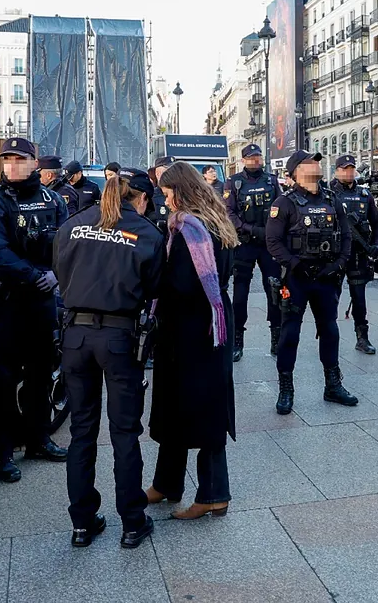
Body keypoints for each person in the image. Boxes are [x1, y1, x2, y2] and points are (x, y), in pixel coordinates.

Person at [53, 166, 163, 549]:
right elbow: (154, 289)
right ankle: (132, 522)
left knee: (81, 430)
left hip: (75, 336)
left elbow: (59, 273)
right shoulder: (147, 233)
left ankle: (82, 523)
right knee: (124, 432)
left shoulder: (73, 224)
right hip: (119, 337)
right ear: (143, 198)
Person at [0, 138, 70, 483]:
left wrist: (55, 275)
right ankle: (2, 454)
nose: (13, 165)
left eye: (20, 159)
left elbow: (66, 244)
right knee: (2, 381)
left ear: (35, 163)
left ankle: (38, 439)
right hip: (8, 301)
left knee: (41, 374)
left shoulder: (53, 199)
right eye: (8, 160)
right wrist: (36, 276)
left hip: (43, 301)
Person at [147, 161, 238, 519]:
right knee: (179, 404)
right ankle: (166, 482)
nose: (166, 201)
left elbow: (181, 285)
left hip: (192, 329)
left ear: (182, 191)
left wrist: (152, 280)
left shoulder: (190, 229)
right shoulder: (215, 220)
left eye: (168, 194)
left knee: (200, 407)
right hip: (210, 323)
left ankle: (214, 493)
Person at [266, 150, 358, 415]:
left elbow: (346, 236)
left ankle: (333, 386)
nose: (316, 165)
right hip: (297, 278)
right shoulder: (283, 203)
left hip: (326, 277)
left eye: (317, 161)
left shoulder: (332, 199)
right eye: (310, 162)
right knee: (290, 333)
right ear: (296, 171)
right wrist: (296, 265)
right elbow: (273, 242)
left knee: (329, 330)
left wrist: (339, 264)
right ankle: (286, 389)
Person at [224, 144, 283, 361]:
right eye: (251, 158)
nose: (255, 160)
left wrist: (274, 230)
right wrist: (249, 229)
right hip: (245, 243)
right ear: (243, 160)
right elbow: (228, 212)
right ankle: (237, 340)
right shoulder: (234, 182)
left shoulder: (271, 180)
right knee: (240, 295)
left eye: (258, 156)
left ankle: (276, 338)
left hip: (268, 244)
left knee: (274, 291)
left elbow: (281, 207)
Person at [329, 155, 378, 355]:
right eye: (344, 169)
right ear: (337, 171)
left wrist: (376, 244)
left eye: (351, 169)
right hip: (335, 256)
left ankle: (362, 338)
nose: (349, 172)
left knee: (359, 299)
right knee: (331, 299)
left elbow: (377, 222)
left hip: (359, 256)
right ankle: (328, 336)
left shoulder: (364, 194)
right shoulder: (328, 193)